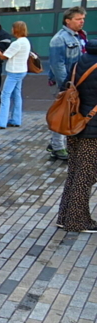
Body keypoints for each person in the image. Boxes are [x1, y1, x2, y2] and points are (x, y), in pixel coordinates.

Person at [56, 37, 97, 232]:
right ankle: (77, 221)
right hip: (93, 129)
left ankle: (64, 216)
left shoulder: (78, 62)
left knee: (75, 172)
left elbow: (66, 86)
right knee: (85, 175)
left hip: (75, 123)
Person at [48, 6, 87, 161]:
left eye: (83, 19)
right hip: (67, 84)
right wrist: (66, 85)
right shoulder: (59, 39)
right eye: (78, 19)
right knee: (63, 114)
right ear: (68, 20)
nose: (82, 22)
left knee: (74, 114)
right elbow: (57, 64)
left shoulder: (81, 36)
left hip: (80, 82)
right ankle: (57, 147)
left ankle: (56, 144)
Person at [0, 21, 31, 130]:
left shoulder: (17, 43)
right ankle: (16, 120)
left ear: (16, 30)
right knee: (17, 95)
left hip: (13, 72)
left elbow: (3, 56)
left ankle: (0, 122)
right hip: (22, 71)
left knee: (5, 96)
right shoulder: (26, 41)